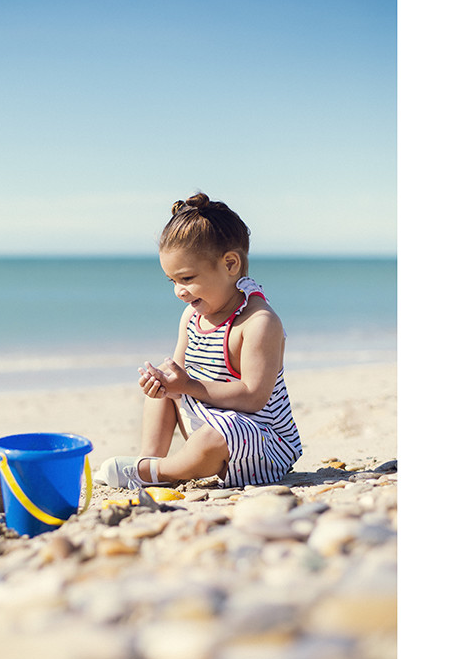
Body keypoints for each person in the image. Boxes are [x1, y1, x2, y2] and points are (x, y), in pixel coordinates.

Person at [94, 192, 302, 490]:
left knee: (215, 436)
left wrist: (188, 386)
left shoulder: (258, 323)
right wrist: (165, 384)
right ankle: (149, 459)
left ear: (230, 264)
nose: (179, 291)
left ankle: (159, 472)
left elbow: (253, 397)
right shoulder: (191, 317)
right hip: (208, 418)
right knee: (164, 386)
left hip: (260, 440)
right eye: (173, 281)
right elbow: (178, 376)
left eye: (187, 278)